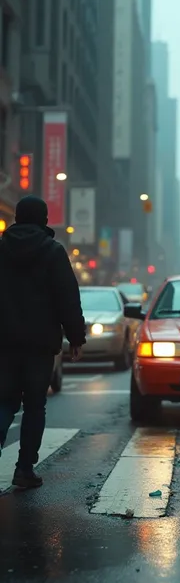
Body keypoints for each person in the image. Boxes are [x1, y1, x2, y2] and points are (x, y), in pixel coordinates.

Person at [0, 196, 86, 488]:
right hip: (40, 345)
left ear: (16, 217)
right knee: (34, 405)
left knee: (4, 401)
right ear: (45, 220)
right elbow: (67, 298)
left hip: (4, 343)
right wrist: (76, 337)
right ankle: (24, 469)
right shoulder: (53, 251)